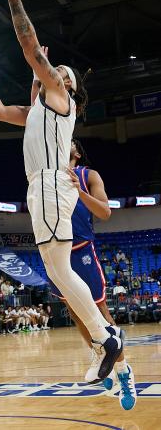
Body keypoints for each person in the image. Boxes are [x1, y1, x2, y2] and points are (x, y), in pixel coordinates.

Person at [0, 0, 122, 384]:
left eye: (61, 73)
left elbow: (29, 42)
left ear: (66, 87)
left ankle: (106, 339)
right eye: (56, 70)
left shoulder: (59, 98)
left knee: (58, 270)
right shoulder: (37, 111)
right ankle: (107, 339)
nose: (57, 72)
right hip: (39, 188)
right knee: (55, 271)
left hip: (52, 182)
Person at [48, 139, 136, 410]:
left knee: (100, 313)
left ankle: (124, 372)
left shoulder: (88, 175)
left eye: (70, 141)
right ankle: (101, 358)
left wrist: (79, 191)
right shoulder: (48, 178)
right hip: (54, 252)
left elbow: (105, 212)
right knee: (75, 313)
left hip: (81, 250)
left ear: (75, 151)